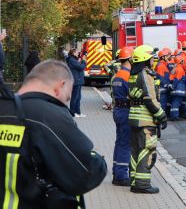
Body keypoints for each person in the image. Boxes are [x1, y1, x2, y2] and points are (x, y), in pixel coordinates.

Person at [0, 60, 107, 208]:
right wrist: (98, 159)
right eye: (67, 98)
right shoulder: (48, 115)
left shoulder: (4, 109)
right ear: (60, 86)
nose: (65, 103)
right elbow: (86, 172)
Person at [128, 45, 167, 194]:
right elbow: (150, 99)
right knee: (146, 151)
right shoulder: (145, 74)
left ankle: (134, 182)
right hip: (145, 121)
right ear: (145, 59)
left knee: (135, 152)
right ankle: (142, 184)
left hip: (134, 119)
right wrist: (162, 116)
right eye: (151, 57)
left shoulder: (133, 74)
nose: (153, 60)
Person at [110, 47, 133, 186]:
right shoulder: (128, 76)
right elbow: (132, 94)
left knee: (119, 142)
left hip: (118, 110)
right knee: (126, 144)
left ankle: (116, 171)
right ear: (130, 59)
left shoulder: (118, 74)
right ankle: (121, 175)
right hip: (126, 111)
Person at [66, 48, 86, 117]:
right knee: (75, 97)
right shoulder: (72, 60)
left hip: (79, 80)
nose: (78, 53)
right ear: (73, 53)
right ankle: (72, 113)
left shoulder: (74, 59)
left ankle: (78, 112)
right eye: (77, 52)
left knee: (78, 97)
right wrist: (83, 61)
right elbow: (81, 67)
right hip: (76, 81)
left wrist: (80, 60)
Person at [168, 54, 186, 121]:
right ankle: (175, 116)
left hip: (174, 90)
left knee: (174, 103)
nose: (183, 62)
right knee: (176, 104)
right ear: (180, 62)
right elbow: (177, 79)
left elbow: (171, 78)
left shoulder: (174, 68)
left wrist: (171, 86)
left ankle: (174, 115)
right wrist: (173, 86)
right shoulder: (180, 69)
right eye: (182, 61)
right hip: (178, 89)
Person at [155, 48, 172, 115]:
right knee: (162, 103)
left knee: (164, 103)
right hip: (162, 88)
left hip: (163, 88)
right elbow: (161, 78)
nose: (167, 58)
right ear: (163, 57)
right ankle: (162, 117)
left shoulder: (163, 65)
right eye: (166, 56)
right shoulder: (161, 66)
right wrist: (166, 85)